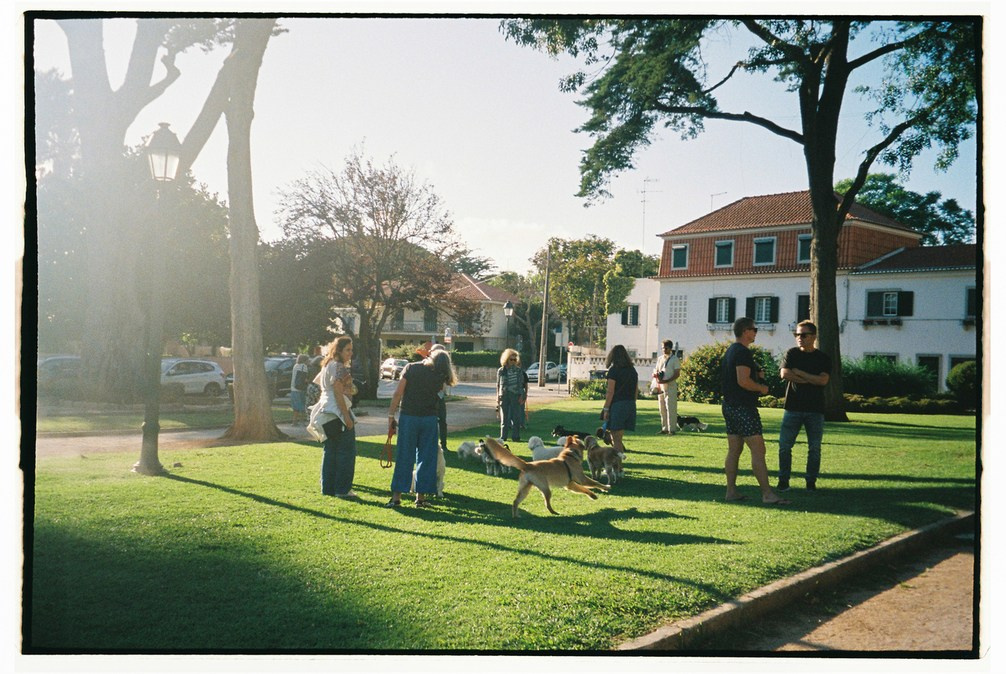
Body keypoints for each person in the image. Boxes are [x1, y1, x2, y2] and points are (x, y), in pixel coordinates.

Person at [720, 317, 790, 505]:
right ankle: (767, 494)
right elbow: (743, 381)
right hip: (743, 407)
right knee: (758, 450)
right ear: (745, 331)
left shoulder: (731, 351)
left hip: (729, 405)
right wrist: (762, 388)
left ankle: (731, 491)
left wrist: (756, 375)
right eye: (754, 329)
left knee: (734, 449)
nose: (756, 332)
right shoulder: (742, 352)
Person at [386, 347, 458, 508]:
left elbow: (398, 393)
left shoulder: (411, 368)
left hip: (409, 417)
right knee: (426, 458)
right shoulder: (440, 376)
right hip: (429, 419)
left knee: (405, 455)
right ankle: (421, 497)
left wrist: (391, 415)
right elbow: (440, 395)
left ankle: (396, 497)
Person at [777, 320, 832, 491]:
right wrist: (810, 379)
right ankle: (783, 480)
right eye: (797, 335)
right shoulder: (792, 353)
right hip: (793, 408)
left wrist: (800, 373)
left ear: (813, 337)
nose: (799, 338)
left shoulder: (822, 358)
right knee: (785, 447)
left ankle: (810, 482)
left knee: (814, 448)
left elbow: (823, 380)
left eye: (803, 335)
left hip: (815, 409)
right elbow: (785, 373)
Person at [306, 336, 359, 500]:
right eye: (348, 350)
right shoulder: (339, 368)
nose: (351, 353)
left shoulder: (327, 365)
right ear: (339, 350)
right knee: (346, 452)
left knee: (330, 451)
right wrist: (346, 416)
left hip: (325, 412)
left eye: (351, 350)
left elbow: (322, 387)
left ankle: (327, 488)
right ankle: (343, 489)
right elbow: (338, 392)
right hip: (337, 413)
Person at [602, 344, 638, 455]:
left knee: (615, 437)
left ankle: (617, 465)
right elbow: (636, 390)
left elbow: (610, 391)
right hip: (630, 403)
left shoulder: (614, 371)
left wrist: (606, 408)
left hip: (618, 404)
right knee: (619, 436)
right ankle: (617, 463)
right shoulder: (632, 370)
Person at [496, 348, 529, 442]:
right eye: (511, 359)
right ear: (506, 359)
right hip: (504, 395)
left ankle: (516, 437)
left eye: (515, 359)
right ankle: (503, 437)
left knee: (516, 417)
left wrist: (522, 396)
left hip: (515, 395)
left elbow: (521, 384)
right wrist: (497, 397)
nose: (513, 361)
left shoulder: (519, 371)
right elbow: (498, 385)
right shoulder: (501, 371)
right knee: (504, 418)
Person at [652, 339, 681, 435]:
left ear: (670, 348)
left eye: (666, 348)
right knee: (662, 408)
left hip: (670, 386)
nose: (664, 350)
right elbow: (656, 370)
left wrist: (667, 380)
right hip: (660, 386)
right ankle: (664, 428)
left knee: (671, 407)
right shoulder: (660, 358)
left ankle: (672, 429)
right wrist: (656, 376)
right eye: (662, 348)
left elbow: (677, 374)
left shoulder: (674, 359)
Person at [429, 344, 450, 452]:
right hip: (429, 398)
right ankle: (432, 444)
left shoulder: (445, 367)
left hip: (440, 398)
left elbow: (447, 382)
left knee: (442, 421)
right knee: (430, 421)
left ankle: (444, 444)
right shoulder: (428, 366)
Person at [289, 354, 310, 425]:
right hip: (301, 389)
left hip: (293, 388)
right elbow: (305, 379)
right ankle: (302, 421)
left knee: (296, 406)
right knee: (302, 405)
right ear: (305, 360)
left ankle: (294, 421)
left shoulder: (295, 366)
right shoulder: (304, 367)